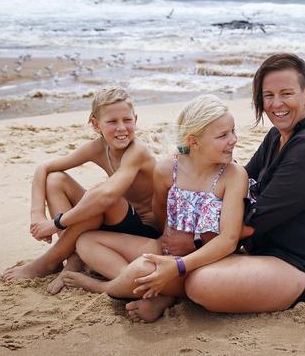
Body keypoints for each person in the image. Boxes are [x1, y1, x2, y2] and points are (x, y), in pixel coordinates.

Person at [176, 53, 305, 315]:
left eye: (286, 93)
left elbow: (251, 222)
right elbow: (238, 182)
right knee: (187, 258)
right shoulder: (277, 135)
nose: (276, 104)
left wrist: (195, 238)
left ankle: (166, 294)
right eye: (268, 95)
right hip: (270, 251)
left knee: (200, 282)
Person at [62, 94, 248, 323]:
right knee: (86, 242)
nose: (233, 139)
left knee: (142, 268)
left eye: (233, 131)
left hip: (206, 261)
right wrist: (168, 239)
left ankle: (107, 287)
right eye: (223, 135)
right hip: (168, 249)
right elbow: (160, 214)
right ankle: (159, 291)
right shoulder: (167, 169)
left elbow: (229, 240)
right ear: (193, 141)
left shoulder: (233, 175)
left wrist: (187, 249)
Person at [2, 86, 160, 295]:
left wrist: (56, 222)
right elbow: (44, 168)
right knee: (56, 180)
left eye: (127, 120)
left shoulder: (137, 151)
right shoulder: (98, 147)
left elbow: (107, 197)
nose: (121, 128)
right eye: (112, 122)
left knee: (100, 196)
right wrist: (37, 216)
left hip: (144, 229)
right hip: (115, 219)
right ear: (96, 124)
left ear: (135, 119)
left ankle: (50, 260)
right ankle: (73, 258)